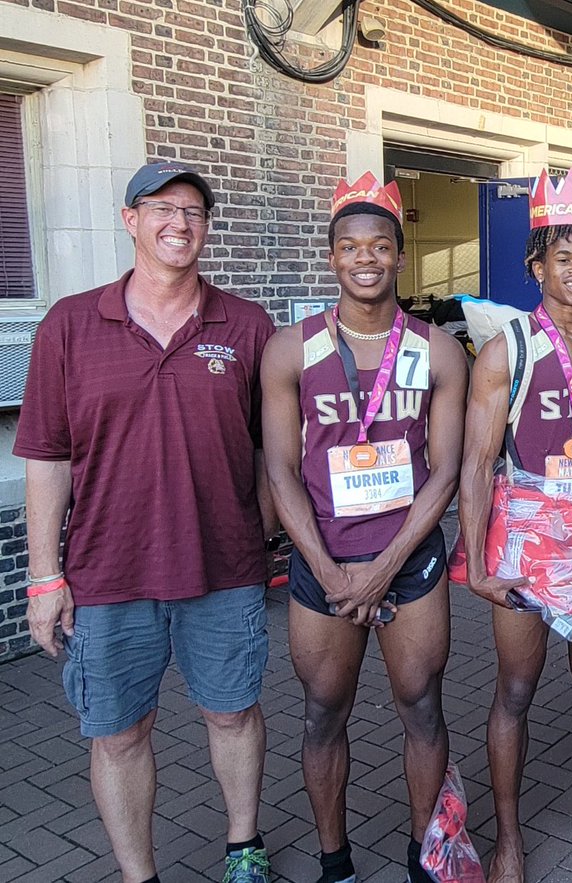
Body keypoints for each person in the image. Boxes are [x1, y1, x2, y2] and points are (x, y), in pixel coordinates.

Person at [15, 161, 276, 883]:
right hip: (107, 574)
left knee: (232, 714)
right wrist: (45, 576)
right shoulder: (70, 323)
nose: (179, 222)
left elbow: (268, 449)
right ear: (131, 220)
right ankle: (140, 875)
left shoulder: (247, 326)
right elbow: (46, 454)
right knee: (120, 732)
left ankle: (243, 846)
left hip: (223, 567)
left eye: (194, 211)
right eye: (162, 207)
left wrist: (265, 530)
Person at [259, 172, 468, 883]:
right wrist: (324, 566)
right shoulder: (292, 350)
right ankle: (335, 863)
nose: (366, 257)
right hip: (323, 564)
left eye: (380, 244)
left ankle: (423, 856)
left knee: (423, 708)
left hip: (408, 564)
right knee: (322, 713)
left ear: (399, 256)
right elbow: (282, 472)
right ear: (332, 258)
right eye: (350, 246)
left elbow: (443, 473)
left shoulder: (438, 352)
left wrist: (381, 569)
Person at [459, 169, 572, 881]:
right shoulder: (507, 348)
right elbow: (478, 466)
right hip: (527, 544)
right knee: (515, 687)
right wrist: (476, 564)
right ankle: (508, 837)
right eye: (563, 257)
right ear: (536, 264)